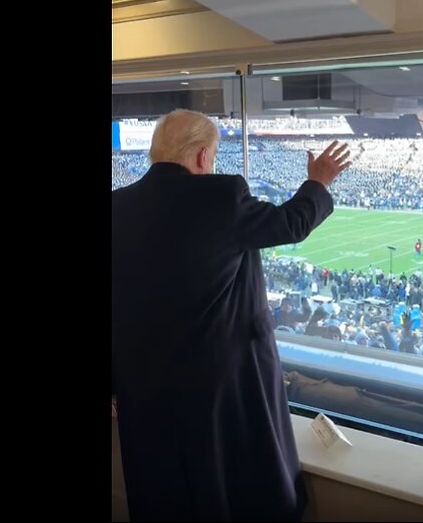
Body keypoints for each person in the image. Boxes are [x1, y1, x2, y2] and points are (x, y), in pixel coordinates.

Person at [112, 110, 351, 522]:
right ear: (203, 157)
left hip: (142, 384)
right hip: (217, 384)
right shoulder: (221, 196)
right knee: (227, 487)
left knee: (163, 490)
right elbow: (290, 224)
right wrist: (318, 182)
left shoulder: (117, 206)